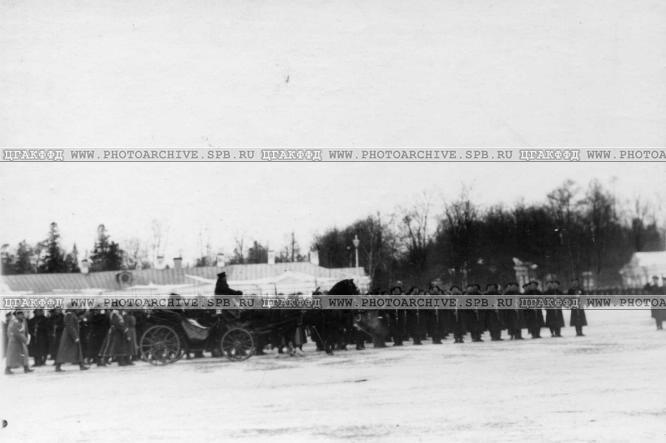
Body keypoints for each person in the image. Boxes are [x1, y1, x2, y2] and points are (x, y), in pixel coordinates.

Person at [5, 310, 32, 375]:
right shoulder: (14, 322)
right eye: (20, 314)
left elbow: (24, 330)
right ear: (17, 315)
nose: (22, 315)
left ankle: (26, 367)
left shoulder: (22, 321)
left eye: (22, 314)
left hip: (20, 341)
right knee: (12, 356)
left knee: (24, 354)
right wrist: (25, 340)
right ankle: (7, 369)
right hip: (15, 342)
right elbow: (16, 332)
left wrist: (26, 338)